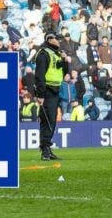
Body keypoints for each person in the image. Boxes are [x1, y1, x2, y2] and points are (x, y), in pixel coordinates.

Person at [34, 32, 67, 161]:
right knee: (48, 121)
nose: (59, 41)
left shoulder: (56, 53)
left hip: (55, 90)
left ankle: (47, 148)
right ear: (50, 40)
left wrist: (64, 61)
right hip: (47, 91)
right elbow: (39, 76)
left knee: (51, 121)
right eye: (57, 38)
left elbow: (64, 72)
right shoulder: (44, 54)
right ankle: (45, 150)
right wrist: (40, 94)